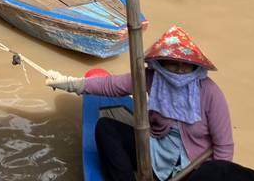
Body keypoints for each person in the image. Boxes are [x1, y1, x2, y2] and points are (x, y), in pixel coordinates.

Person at [46, 25, 233, 181]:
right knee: (106, 128)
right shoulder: (153, 77)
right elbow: (112, 86)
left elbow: (224, 147)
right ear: (161, 63)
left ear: (195, 66)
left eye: (185, 64)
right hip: (155, 152)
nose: (179, 70)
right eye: (173, 63)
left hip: (192, 166)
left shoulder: (210, 92)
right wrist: (68, 83)